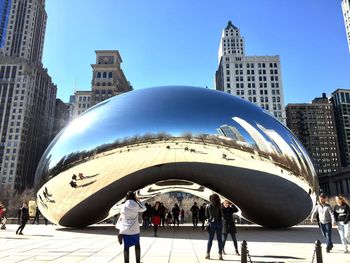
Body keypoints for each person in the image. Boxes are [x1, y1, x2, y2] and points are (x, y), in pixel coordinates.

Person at [116, 191, 146, 263]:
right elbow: (144, 208)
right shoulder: (136, 206)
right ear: (133, 197)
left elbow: (120, 213)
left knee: (126, 247)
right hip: (135, 230)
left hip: (125, 230)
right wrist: (138, 200)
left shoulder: (123, 206)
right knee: (137, 245)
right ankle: (138, 261)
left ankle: (126, 262)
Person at [205, 193, 223, 260]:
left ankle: (208, 253)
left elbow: (206, 216)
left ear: (210, 199)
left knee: (210, 239)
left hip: (211, 224)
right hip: (219, 223)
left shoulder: (208, 206)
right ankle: (220, 254)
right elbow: (222, 215)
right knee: (219, 240)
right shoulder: (219, 206)